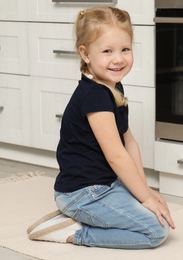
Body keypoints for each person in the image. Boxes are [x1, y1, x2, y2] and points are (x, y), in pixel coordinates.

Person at [27, 6, 175, 249]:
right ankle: (74, 231)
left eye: (125, 49)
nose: (118, 59)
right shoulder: (94, 97)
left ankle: (83, 218)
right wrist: (145, 197)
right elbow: (117, 156)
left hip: (104, 184)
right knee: (156, 231)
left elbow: (129, 142)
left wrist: (145, 190)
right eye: (107, 51)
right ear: (85, 54)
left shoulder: (112, 87)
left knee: (156, 211)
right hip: (83, 194)